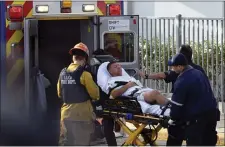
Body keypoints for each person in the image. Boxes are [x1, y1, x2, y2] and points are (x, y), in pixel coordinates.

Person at [139, 44, 207, 146]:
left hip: (181, 109)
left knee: (174, 138)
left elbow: (161, 75)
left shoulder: (180, 69)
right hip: (199, 110)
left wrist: (146, 76)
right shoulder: (199, 69)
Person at [167, 53, 218, 146]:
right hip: (212, 115)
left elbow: (176, 107)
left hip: (196, 121)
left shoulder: (182, 81)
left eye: (173, 67)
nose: (171, 69)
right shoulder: (199, 73)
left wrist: (172, 119)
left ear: (179, 67)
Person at [57, 42, 99, 146]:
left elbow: (59, 94)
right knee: (82, 143)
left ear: (73, 58)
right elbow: (95, 94)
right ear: (85, 59)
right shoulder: (85, 74)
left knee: (66, 143)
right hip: (82, 116)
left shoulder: (62, 73)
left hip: (66, 115)